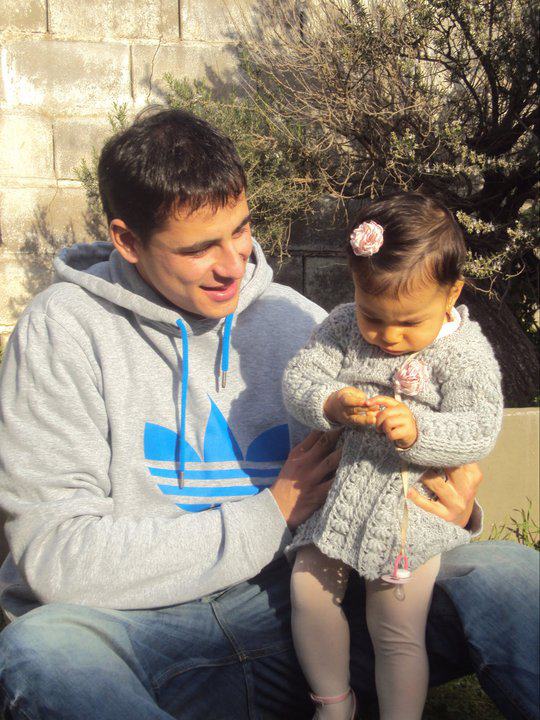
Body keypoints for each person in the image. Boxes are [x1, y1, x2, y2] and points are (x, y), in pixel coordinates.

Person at [0, 109, 537, 720]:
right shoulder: (62, 332)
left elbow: (391, 448)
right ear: (127, 241)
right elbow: (55, 557)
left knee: (512, 575)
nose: (233, 263)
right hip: (142, 632)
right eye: (199, 248)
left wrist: (447, 506)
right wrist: (271, 512)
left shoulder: (297, 319)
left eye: (241, 230)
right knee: (43, 652)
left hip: (305, 612)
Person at [282, 194, 503, 720]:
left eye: (407, 323)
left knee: (396, 627)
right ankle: (334, 702)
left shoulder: (464, 352)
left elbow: (480, 426)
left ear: (452, 292)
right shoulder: (341, 326)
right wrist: (329, 402)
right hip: (337, 503)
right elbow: (299, 377)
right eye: (373, 316)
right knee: (307, 593)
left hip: (408, 515)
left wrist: (419, 431)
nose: (388, 336)